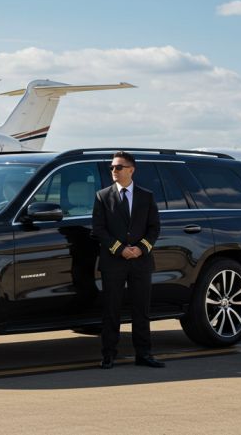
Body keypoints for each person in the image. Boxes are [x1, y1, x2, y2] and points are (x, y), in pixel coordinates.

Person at [91, 151, 163, 369]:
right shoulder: (103, 196)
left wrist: (141, 248)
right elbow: (99, 229)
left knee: (141, 310)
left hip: (140, 261)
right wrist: (120, 249)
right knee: (111, 310)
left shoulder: (146, 196)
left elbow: (154, 228)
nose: (114, 170)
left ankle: (144, 354)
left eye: (119, 167)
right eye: (112, 167)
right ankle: (108, 355)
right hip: (114, 261)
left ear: (131, 170)